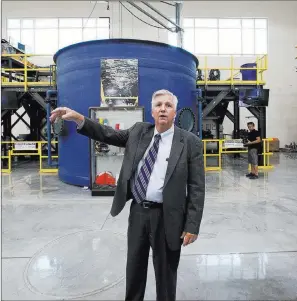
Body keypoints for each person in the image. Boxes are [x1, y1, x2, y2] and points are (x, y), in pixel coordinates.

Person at [50, 89, 205, 301]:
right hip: (139, 213)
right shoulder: (139, 132)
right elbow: (107, 133)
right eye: (159, 105)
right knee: (134, 269)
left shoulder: (189, 142)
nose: (163, 109)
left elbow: (197, 186)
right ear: (152, 111)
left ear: (175, 112)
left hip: (169, 216)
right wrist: (78, 118)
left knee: (166, 274)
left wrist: (192, 225)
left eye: (168, 105)